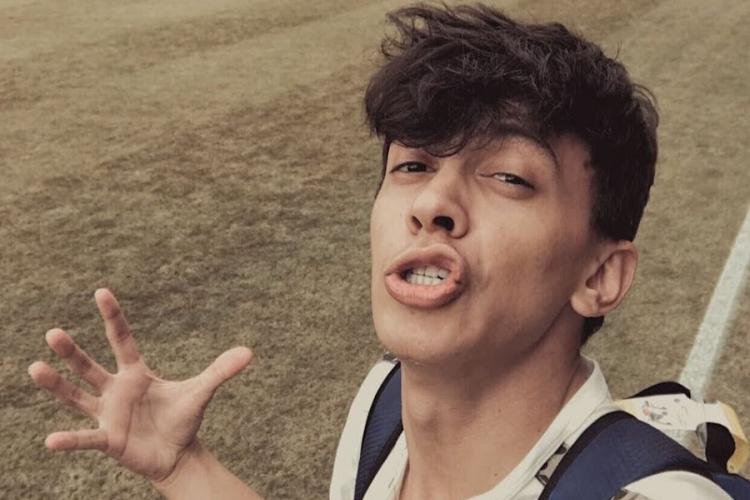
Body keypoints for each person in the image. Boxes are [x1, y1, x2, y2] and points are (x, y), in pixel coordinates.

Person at [27, 3, 738, 499]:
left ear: (601, 275)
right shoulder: (383, 408)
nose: (432, 202)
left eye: (508, 177)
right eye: (413, 165)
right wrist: (183, 467)